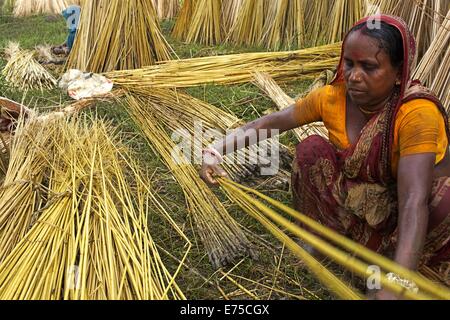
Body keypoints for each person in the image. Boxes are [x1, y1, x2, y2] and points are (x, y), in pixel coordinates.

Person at [199, 15, 450, 299]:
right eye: (349, 63)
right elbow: (268, 124)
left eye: (369, 67)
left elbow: (413, 201)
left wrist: (397, 281)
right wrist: (215, 151)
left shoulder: (416, 114)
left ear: (398, 73)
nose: (354, 76)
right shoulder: (332, 98)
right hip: (362, 201)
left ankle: (397, 261)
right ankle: (326, 240)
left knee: (445, 197)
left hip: (414, 214)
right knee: (311, 150)